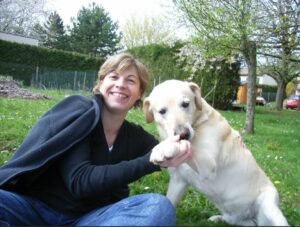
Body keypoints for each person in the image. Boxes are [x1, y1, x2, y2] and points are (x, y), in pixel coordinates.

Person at [0, 53, 192, 226]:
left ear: (140, 94)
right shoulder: (81, 113)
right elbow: (80, 182)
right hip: (32, 210)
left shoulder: (134, 136)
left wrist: (181, 134)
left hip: (91, 219)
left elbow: (173, 146)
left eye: (131, 80)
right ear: (101, 84)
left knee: (158, 206)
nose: (120, 84)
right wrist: (151, 160)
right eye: (114, 77)